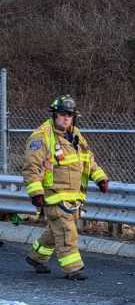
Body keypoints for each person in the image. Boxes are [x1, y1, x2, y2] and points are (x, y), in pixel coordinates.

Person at [22, 95, 109, 281]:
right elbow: (32, 168)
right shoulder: (41, 137)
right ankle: (73, 268)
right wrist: (36, 193)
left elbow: (88, 160)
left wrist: (100, 178)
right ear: (54, 115)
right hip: (53, 196)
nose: (66, 118)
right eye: (62, 114)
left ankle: (36, 257)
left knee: (56, 231)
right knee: (67, 231)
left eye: (70, 115)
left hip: (73, 197)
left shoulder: (76, 135)